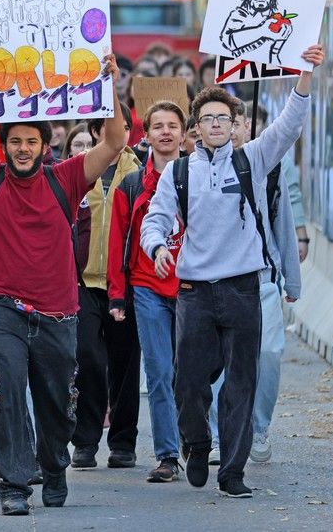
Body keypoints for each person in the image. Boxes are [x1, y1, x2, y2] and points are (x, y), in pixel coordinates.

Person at [0, 49, 128, 516]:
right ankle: (14, 481)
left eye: (30, 142)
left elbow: (116, 141)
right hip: (1, 310)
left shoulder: (67, 178)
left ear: (45, 146)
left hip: (59, 312)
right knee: (5, 395)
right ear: (5, 146)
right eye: (15, 141)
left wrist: (111, 87)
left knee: (57, 402)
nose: (22, 148)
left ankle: (54, 464)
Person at [139, 43, 323, 499]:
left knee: (242, 382)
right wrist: (158, 246)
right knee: (188, 382)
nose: (216, 125)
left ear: (234, 124)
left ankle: (233, 472)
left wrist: (304, 76)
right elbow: (155, 219)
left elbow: (289, 126)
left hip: (244, 290)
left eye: (224, 118)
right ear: (195, 128)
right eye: (208, 119)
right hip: (195, 294)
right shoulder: (178, 173)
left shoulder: (253, 160)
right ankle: (197, 444)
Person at [208, 100, 304, 466]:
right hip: (215, 283)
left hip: (261, 281)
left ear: (244, 124)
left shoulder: (269, 170)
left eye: (233, 120)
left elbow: (282, 227)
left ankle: (258, 427)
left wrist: (291, 281)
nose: (227, 127)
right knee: (220, 363)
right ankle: (221, 436)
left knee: (267, 356)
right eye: (215, 119)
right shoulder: (197, 170)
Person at [107, 101, 187, 483]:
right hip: (147, 287)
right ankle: (168, 455)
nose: (166, 132)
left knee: (190, 372)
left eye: (173, 125)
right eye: (158, 126)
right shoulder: (131, 184)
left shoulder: (200, 175)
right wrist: (117, 295)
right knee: (157, 371)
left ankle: (197, 441)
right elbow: (117, 240)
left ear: (185, 134)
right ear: (147, 135)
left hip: (193, 289)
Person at [71, 105, 142, 472]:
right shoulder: (79, 170)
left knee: (126, 365)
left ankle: (123, 443)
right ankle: (84, 441)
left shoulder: (140, 172)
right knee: (88, 360)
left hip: (126, 282)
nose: (120, 132)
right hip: (82, 281)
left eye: (127, 127)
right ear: (98, 131)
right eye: (112, 126)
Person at [219, 0, 286, 64]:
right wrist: (262, 30)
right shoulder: (239, 15)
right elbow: (228, 41)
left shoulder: (280, 21)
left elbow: (276, 56)